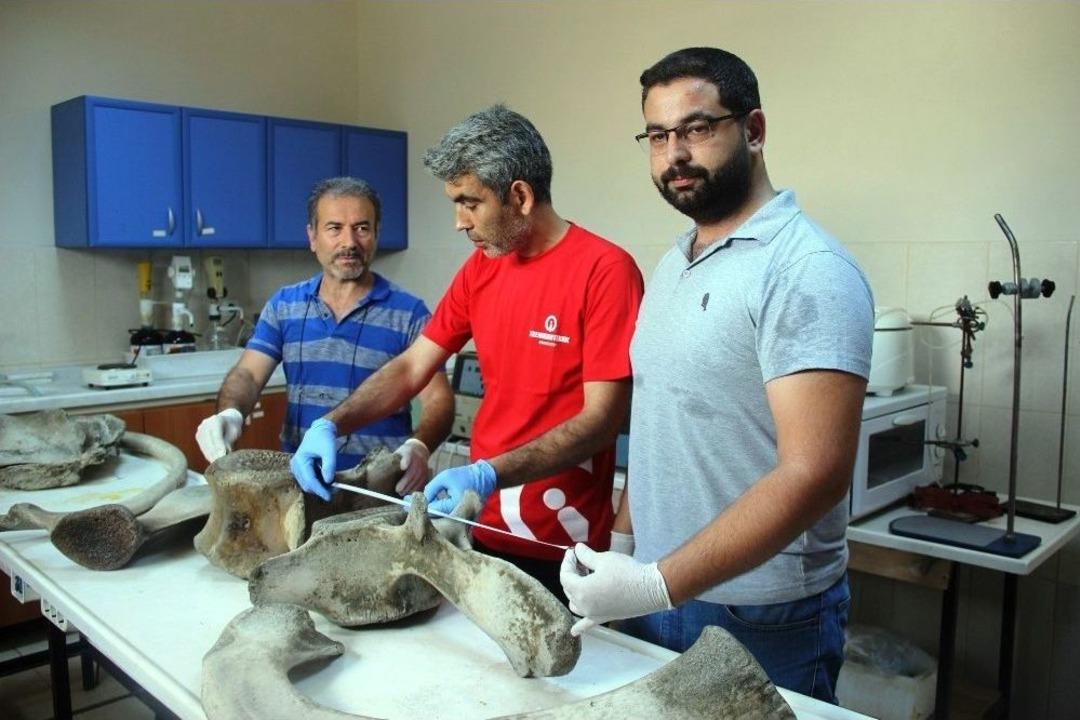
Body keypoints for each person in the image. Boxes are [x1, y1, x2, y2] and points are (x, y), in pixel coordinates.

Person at [560, 47, 874, 704]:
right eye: (657, 135)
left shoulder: (805, 268)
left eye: (697, 129)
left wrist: (654, 584)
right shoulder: (677, 264)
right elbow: (656, 421)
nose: (674, 153)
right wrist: (624, 545)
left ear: (753, 131)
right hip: (658, 588)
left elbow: (814, 472)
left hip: (760, 618)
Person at [290, 106, 644, 602]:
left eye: (469, 202)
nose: (459, 222)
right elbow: (414, 366)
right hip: (482, 526)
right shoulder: (482, 269)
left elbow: (602, 421)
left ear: (519, 196)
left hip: (563, 546)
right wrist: (332, 423)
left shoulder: (604, 271)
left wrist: (486, 472)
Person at [196, 177, 454, 494]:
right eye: (334, 228)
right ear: (312, 237)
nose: (349, 242)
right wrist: (231, 412)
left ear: (375, 235)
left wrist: (419, 445)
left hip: (381, 490)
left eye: (362, 228)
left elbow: (439, 399)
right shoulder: (284, 306)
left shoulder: (409, 313)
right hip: (302, 484)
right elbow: (248, 374)